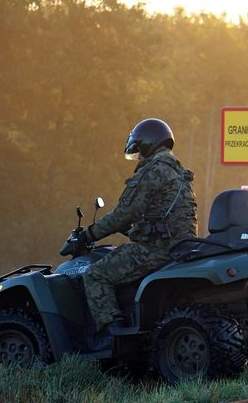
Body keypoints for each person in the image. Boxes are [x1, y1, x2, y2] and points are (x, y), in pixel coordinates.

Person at [77, 118, 198, 350]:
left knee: (95, 274)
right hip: (181, 247)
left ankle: (111, 334)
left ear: (147, 145)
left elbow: (123, 213)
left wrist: (88, 235)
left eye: (139, 151)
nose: (139, 158)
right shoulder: (180, 173)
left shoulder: (153, 171)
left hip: (156, 250)